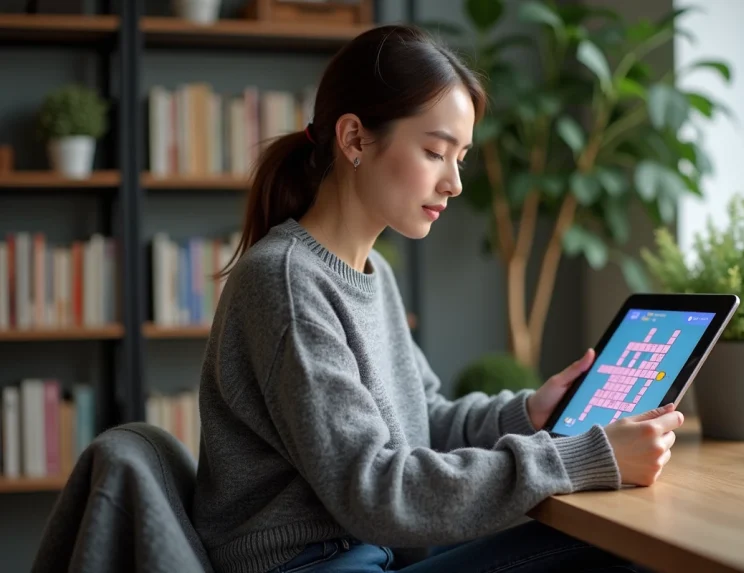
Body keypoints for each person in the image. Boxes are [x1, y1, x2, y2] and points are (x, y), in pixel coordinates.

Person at [192, 24, 683, 573]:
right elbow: (377, 490)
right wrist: (583, 457)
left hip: (370, 551)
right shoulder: (285, 282)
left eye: (461, 158)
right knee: (629, 546)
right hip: (318, 564)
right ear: (354, 139)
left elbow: (423, 421)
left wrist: (528, 414)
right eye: (434, 152)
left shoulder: (370, 271)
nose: (454, 183)